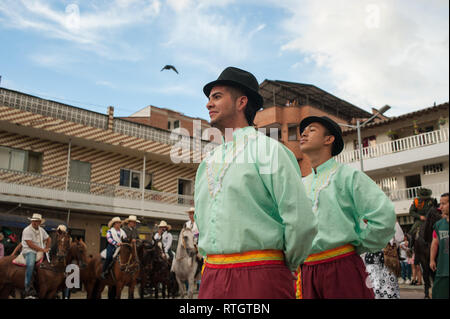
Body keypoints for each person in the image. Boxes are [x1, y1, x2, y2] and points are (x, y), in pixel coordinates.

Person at [195, 66, 317, 299]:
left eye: (217, 97)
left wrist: (281, 265)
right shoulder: (207, 163)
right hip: (211, 276)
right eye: (209, 99)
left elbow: (301, 221)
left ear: (241, 102)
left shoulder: (271, 151)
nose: (208, 104)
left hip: (261, 275)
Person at [297, 116, 396, 299]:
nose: (303, 133)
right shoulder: (300, 184)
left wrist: (358, 245)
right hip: (307, 269)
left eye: (312, 130)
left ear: (329, 139)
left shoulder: (349, 176)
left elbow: (384, 216)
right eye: (303, 131)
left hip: (342, 266)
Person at [364, 222, 404, 299]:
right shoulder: (366, 223)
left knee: (389, 291)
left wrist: (395, 222)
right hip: (372, 263)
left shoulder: (389, 222)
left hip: (388, 261)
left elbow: (400, 238)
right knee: (375, 290)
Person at [21, 213, 51, 298]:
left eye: (37, 221)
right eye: (34, 221)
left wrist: (47, 248)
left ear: (40, 222)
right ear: (31, 221)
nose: (35, 222)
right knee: (30, 264)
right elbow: (30, 245)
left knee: (49, 263)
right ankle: (27, 288)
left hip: (40, 250)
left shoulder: (41, 230)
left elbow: (49, 239)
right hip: (29, 251)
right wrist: (43, 250)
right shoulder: (27, 230)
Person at [430, 192, 449, 299]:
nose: (440, 207)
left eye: (444, 204)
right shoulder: (438, 225)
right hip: (443, 270)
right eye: (440, 204)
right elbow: (435, 242)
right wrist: (432, 260)